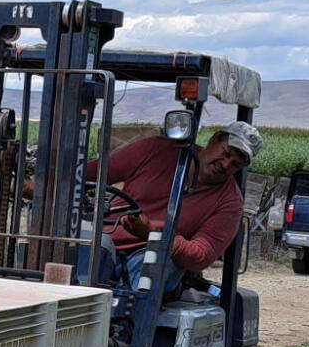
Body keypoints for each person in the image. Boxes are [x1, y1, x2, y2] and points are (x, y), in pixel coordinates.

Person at [87, 122, 262, 295]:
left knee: (152, 269)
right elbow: (93, 173)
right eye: (226, 153)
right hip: (105, 241)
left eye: (235, 164)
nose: (226, 164)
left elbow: (201, 254)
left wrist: (152, 235)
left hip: (152, 253)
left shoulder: (230, 202)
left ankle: (129, 319)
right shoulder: (157, 150)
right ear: (214, 139)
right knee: (78, 250)